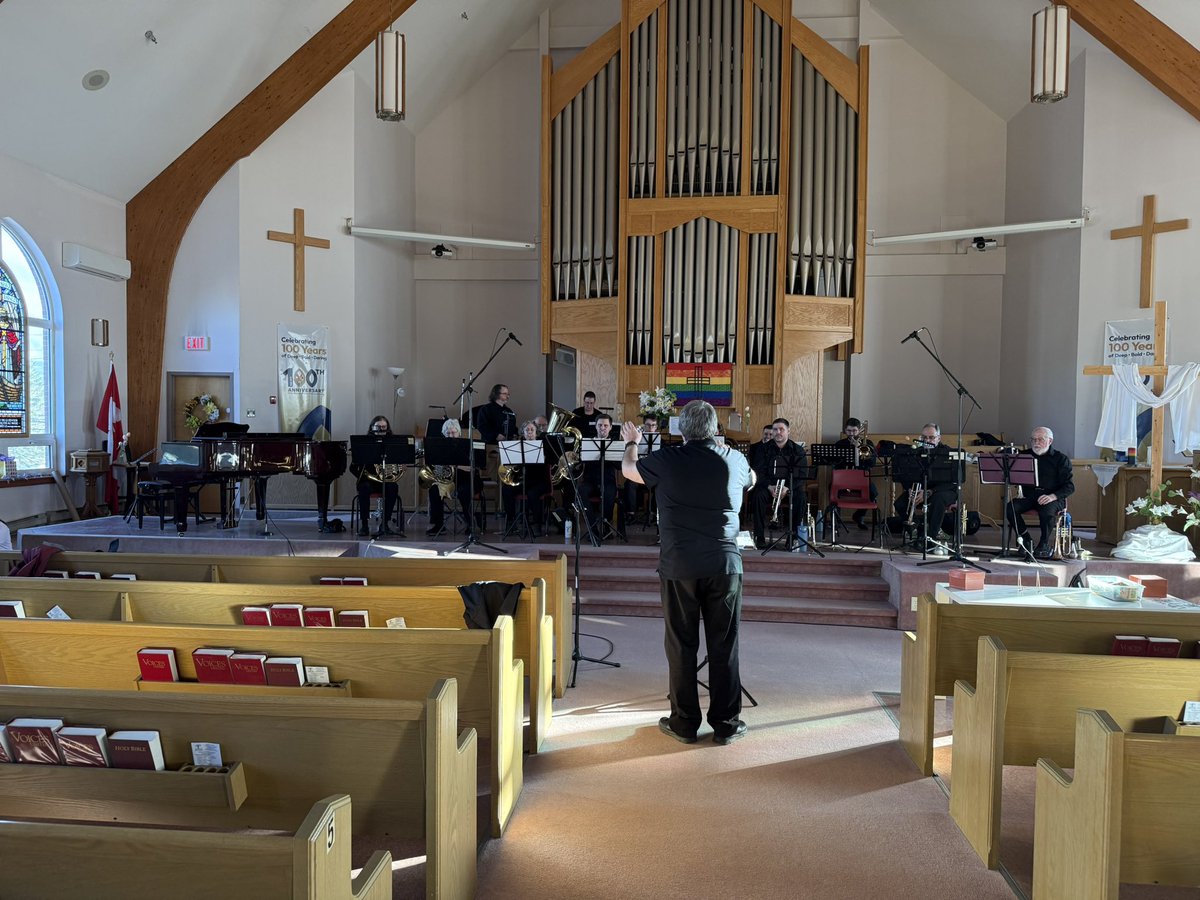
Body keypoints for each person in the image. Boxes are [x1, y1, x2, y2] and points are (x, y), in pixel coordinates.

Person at [620, 400, 755, 745]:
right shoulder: (735, 459)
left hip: (680, 564)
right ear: (714, 429)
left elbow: (629, 471)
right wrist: (726, 451)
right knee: (724, 644)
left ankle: (684, 723)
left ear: (681, 429)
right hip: (724, 564)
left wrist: (632, 442)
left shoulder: (666, 460)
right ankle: (725, 724)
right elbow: (751, 480)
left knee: (681, 644)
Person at [1005, 426, 1074, 558]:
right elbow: (1013, 477)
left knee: (1047, 511)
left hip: (1052, 497)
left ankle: (1044, 544)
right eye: (1033, 440)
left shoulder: (1061, 459)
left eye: (1040, 439)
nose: (1036, 443)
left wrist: (1052, 496)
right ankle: (1026, 539)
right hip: (1029, 496)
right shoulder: (1023, 456)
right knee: (1010, 508)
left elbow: (1069, 486)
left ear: (1050, 441)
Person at [893, 424, 955, 555]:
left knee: (938, 501)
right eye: (924, 437)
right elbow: (905, 475)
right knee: (900, 504)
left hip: (943, 491)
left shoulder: (948, 453)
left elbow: (953, 482)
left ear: (939, 438)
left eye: (931, 437)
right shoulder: (915, 453)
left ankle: (931, 539)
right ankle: (918, 529)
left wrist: (929, 492)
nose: (927, 441)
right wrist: (910, 489)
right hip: (921, 490)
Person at [750, 418, 807, 549]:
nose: (778, 432)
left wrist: (787, 488)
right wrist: (769, 487)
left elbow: (802, 476)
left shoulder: (797, 450)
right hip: (769, 486)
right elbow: (757, 472)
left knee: (801, 498)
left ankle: (792, 538)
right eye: (775, 429)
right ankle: (759, 537)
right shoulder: (763, 449)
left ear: (788, 431)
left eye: (781, 429)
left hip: (789, 487)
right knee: (758, 496)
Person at [425, 418, 481, 537]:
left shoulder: (468, 445)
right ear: (444, 434)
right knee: (435, 489)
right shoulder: (439, 447)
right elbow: (437, 468)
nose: (451, 435)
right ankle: (438, 525)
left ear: (459, 432)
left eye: (453, 432)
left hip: (468, 479)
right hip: (449, 480)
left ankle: (470, 524)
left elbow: (471, 468)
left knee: (464, 491)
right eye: (448, 433)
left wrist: (455, 465)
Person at [350, 415, 403, 538]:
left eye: (384, 427)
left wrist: (400, 465)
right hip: (369, 481)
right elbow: (352, 468)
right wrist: (364, 475)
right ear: (372, 427)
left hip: (386, 480)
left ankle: (384, 524)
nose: (381, 429)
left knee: (393, 487)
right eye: (378, 427)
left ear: (387, 428)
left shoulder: (393, 443)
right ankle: (364, 525)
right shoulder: (364, 443)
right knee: (364, 488)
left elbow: (398, 461)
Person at [833, 417, 877, 529]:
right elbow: (835, 465)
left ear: (859, 431)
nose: (851, 434)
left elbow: (872, 463)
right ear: (845, 430)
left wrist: (858, 449)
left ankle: (859, 516)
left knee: (873, 492)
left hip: (862, 478)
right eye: (849, 431)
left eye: (854, 431)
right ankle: (836, 520)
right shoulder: (840, 444)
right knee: (832, 488)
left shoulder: (868, 443)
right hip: (844, 478)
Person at [581, 413, 621, 537]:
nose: (602, 428)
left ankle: (606, 525)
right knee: (580, 491)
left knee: (609, 493)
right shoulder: (588, 443)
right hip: (590, 480)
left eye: (605, 425)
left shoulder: (615, 444)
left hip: (608, 480)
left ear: (610, 428)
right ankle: (592, 528)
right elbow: (581, 462)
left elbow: (619, 467)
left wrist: (610, 455)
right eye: (600, 425)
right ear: (596, 427)